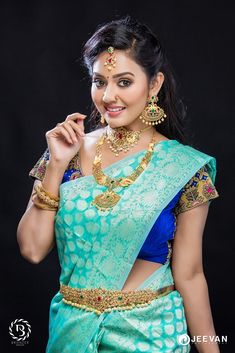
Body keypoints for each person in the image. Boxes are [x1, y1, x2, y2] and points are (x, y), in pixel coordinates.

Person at [17, 16, 220, 353]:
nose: (108, 96)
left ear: (154, 85)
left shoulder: (183, 167)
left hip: (151, 336)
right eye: (99, 82)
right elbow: (32, 249)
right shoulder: (66, 151)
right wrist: (55, 165)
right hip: (72, 334)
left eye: (124, 82)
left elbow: (191, 274)